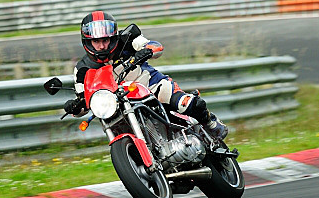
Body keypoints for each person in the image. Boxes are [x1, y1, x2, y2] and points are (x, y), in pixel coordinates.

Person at [63, 11, 228, 140]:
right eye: (96, 42)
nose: (101, 46)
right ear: (87, 42)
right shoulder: (82, 70)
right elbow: (86, 100)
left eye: (105, 40)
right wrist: (75, 107)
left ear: (113, 38)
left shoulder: (128, 39)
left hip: (153, 87)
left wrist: (147, 50)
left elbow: (156, 46)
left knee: (187, 103)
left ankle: (210, 122)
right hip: (119, 106)